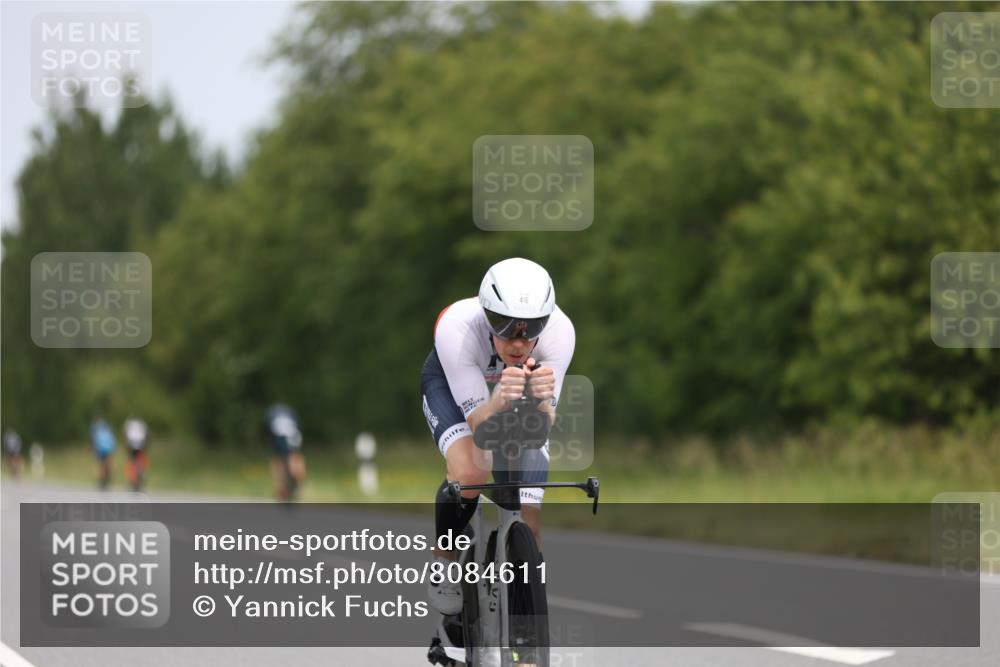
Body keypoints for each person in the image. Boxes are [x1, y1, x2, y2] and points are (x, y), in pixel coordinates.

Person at [421, 257, 575, 614]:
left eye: (531, 327)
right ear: (487, 315)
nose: (519, 342)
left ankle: (522, 620)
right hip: (455, 388)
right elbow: (480, 426)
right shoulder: (457, 328)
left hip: (511, 392)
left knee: (529, 518)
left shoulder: (560, 332)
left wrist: (539, 402)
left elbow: (541, 427)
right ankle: (444, 558)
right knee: (472, 473)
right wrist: (498, 400)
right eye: (504, 326)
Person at [265, 404, 305, 501]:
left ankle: (282, 487)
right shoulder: (290, 415)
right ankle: (295, 478)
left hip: (279, 437)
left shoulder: (272, 415)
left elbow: (268, 429)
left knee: (279, 461)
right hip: (292, 436)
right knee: (294, 456)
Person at [122, 417, 150, 491]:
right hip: (141, 446)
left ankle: (134, 479)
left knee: (132, 462)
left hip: (131, 446)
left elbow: (125, 435)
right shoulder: (142, 424)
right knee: (140, 461)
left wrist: (126, 447)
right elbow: (147, 435)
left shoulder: (129, 424)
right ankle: (141, 473)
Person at [89, 417, 116, 489]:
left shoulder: (96, 429)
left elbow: (94, 441)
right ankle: (106, 479)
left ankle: (102, 480)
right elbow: (112, 441)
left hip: (100, 449)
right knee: (107, 465)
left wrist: (94, 450)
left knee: (101, 465)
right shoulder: (108, 430)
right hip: (108, 449)